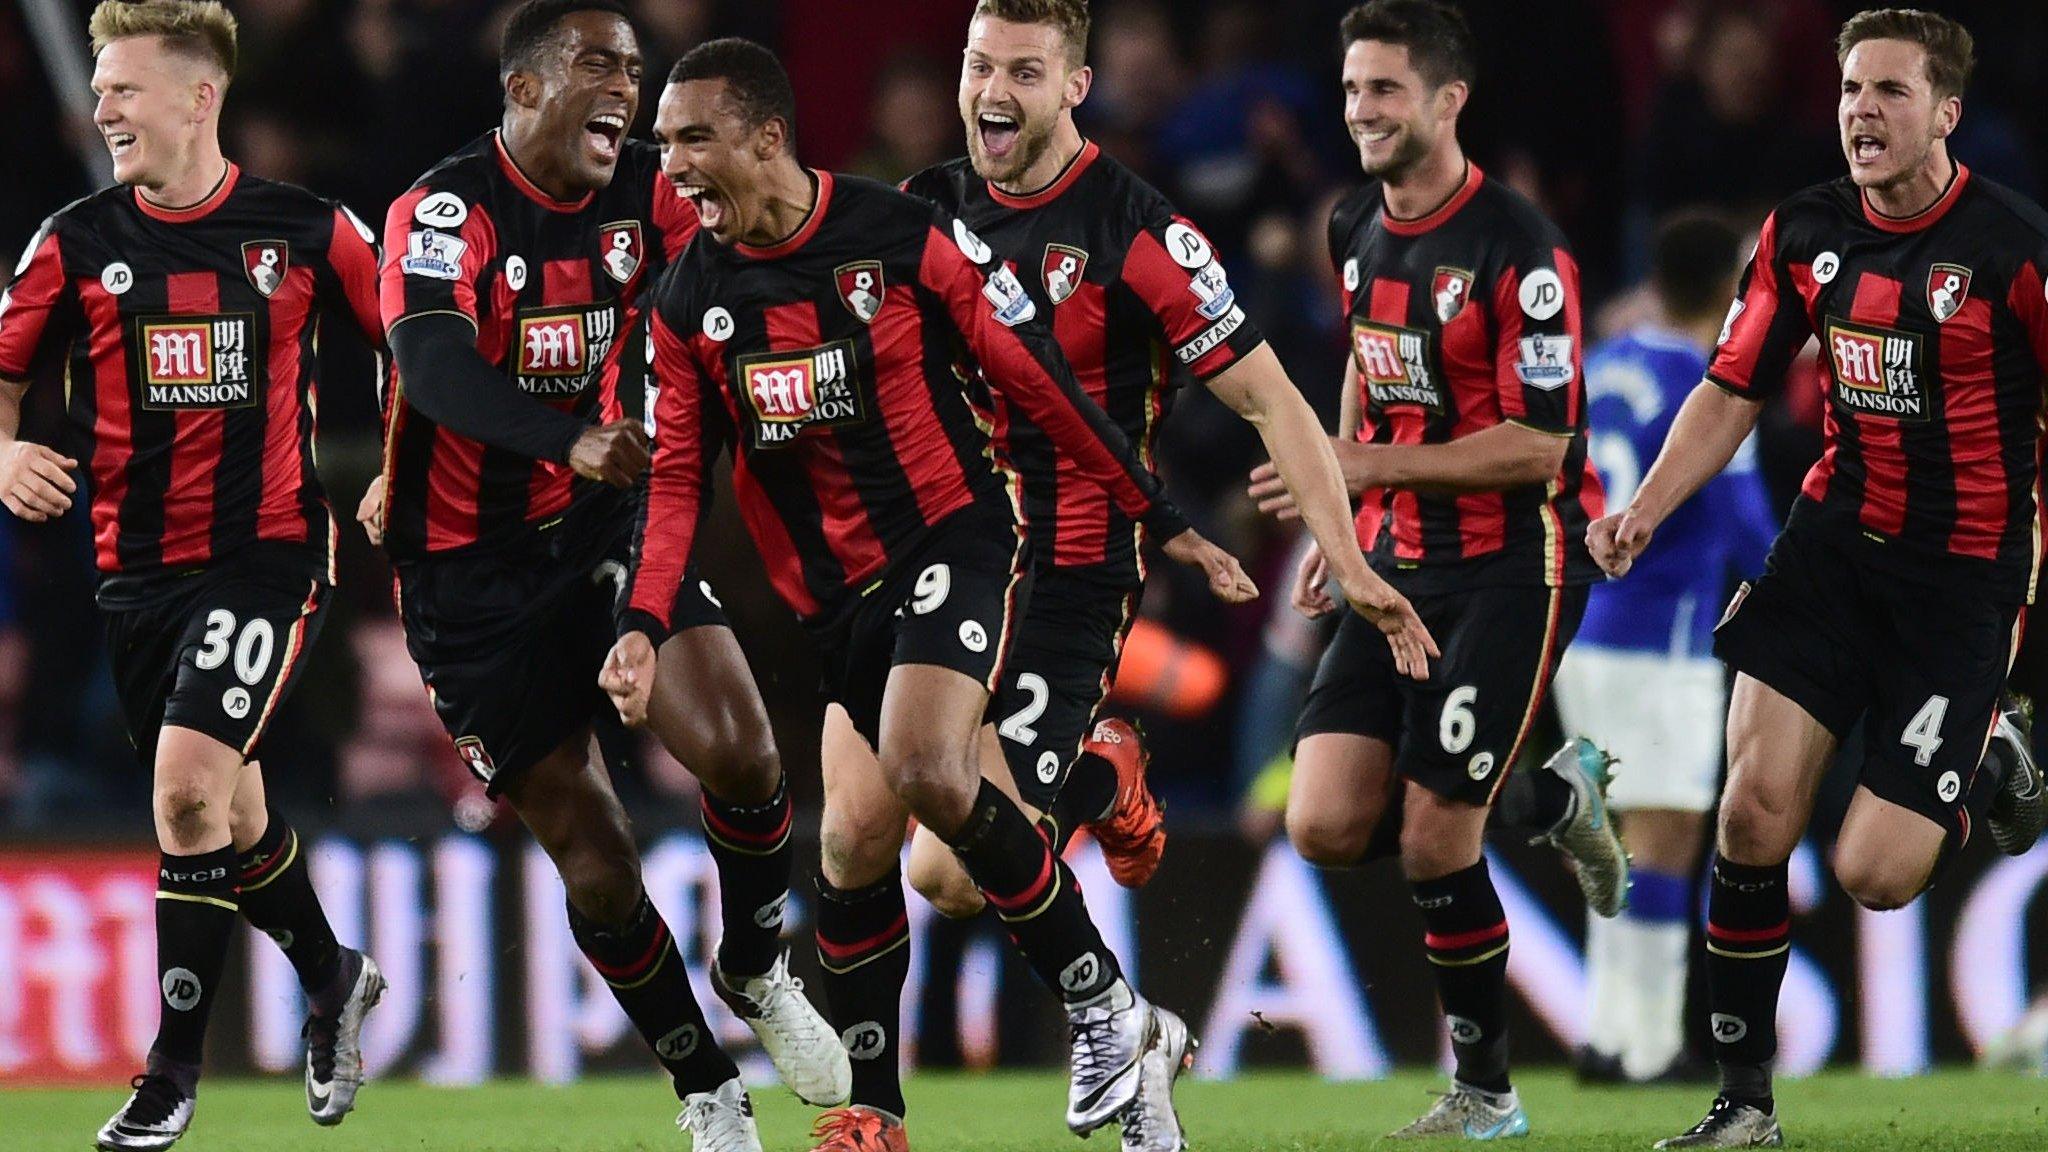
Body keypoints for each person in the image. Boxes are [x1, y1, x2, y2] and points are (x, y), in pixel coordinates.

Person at [600, 37, 1311, 1152]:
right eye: (664, 145)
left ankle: (1101, 1007)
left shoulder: (896, 235)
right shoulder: (688, 298)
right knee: (852, 849)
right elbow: (677, 479)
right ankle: (876, 1114)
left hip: (956, 539)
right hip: (833, 599)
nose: (672, 167)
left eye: (693, 139)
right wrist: (643, 623)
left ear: (766, 137)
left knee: (930, 774)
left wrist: (1156, 511)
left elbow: (1036, 377)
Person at [892, 4, 1437, 1148]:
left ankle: (1100, 777)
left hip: (1076, 569)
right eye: (978, 65)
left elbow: (1274, 400)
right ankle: (1095, 800)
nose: (994, 91)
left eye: (1023, 71)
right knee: (903, 856)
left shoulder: (1136, 229)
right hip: (951, 558)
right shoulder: (924, 210)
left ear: (1076, 85)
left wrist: (1346, 559)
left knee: (946, 874)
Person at [372, 3, 844, 1147]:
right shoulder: (443, 211)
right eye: (598, 64)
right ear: (526, 88)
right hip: (464, 578)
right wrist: (563, 433)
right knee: (592, 846)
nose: (626, 90)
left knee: (740, 750)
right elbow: (429, 361)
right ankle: (703, 1088)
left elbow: (771, 229)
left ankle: (754, 968)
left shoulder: (652, 191)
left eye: (635, 70)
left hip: (603, 531)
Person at [1590, 10, 2048, 1147]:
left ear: (1945, 114)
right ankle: (1742, 1105)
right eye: (1850, 89)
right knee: (1747, 811)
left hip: (1959, 582)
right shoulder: (1801, 230)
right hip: (1832, 550)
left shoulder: (2013, 250)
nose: (1861, 110)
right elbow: (1731, 384)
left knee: (1874, 875)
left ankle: (1986, 739)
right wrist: (1644, 508)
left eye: (1890, 92)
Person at [0, 3, 386, 1147]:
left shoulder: (309, 232)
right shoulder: (74, 242)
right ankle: (331, 973)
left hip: (268, 555)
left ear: (198, 98)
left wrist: (403, 474)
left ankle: (170, 1072)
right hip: (135, 579)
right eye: (102, 88)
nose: (104, 107)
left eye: (125, 88)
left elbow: (422, 344)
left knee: (181, 794)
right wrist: (7, 448)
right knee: (231, 810)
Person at [1246, 1, 1614, 1138]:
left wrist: (1356, 462)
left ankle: (1485, 1094)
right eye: (1352, 89)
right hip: (1398, 557)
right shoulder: (1353, 222)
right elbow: (1365, 373)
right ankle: (1554, 792)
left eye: (1384, 91)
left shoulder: (1520, 247)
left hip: (1516, 561)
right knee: (1318, 823)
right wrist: (1337, 520)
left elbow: (1542, 445)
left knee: (1432, 834)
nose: (1359, 111)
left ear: (1447, 101)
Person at [1556, 211, 1772, 1086]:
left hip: (1581, 633)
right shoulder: (1714, 388)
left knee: (1612, 840)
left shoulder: (1602, 366)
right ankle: (1645, 1048)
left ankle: (1608, 1034)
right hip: (1663, 641)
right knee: (1667, 841)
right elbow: (1746, 530)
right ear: (1732, 289)